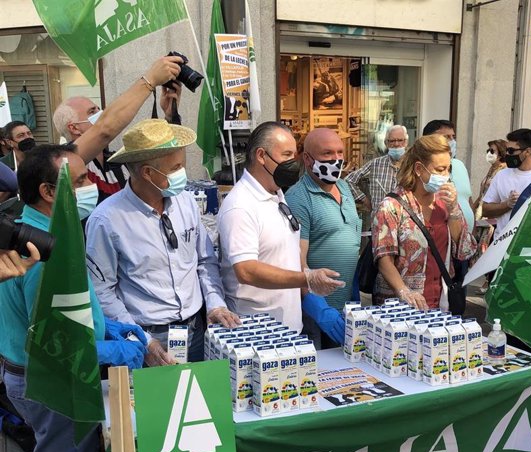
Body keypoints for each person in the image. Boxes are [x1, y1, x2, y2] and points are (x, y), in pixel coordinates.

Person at [0, 144, 146, 452]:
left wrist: (107, 331)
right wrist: (112, 352)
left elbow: (67, 314)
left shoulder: (42, 229)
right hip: (49, 379)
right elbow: (54, 342)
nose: (92, 187)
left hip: (37, 371)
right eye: (81, 181)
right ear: (48, 190)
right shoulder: (40, 251)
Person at [85, 119, 239, 364]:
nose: (183, 173)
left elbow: (204, 260)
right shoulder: (107, 220)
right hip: (148, 335)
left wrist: (215, 304)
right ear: (147, 173)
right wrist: (141, 341)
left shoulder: (185, 201)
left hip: (196, 328)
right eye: (175, 167)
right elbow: (102, 291)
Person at [217, 121, 344, 337]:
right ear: (261, 156)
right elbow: (246, 270)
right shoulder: (241, 205)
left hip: (287, 330)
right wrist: (307, 279)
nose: (292, 163)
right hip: (256, 334)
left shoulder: (276, 194)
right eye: (286, 155)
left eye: (294, 155)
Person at [371, 134, 475, 309]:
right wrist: (404, 291)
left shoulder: (444, 203)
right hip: (403, 306)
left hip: (441, 301)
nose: (446, 175)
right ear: (419, 169)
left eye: (448, 169)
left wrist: (454, 210)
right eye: (440, 169)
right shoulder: (392, 206)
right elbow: (383, 259)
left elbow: (464, 250)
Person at [286, 127, 361, 348]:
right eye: (327, 154)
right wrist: (319, 309)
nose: (336, 159)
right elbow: (297, 264)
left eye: (340, 152)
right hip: (318, 314)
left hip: (347, 305)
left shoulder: (344, 187)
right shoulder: (298, 199)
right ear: (308, 159)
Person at [52, 80, 182, 204]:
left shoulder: (117, 162)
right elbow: (104, 132)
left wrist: (171, 117)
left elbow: (163, 162)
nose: (102, 114)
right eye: (92, 112)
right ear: (74, 127)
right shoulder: (67, 163)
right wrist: (151, 80)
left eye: (99, 109)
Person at [481, 128, 531, 234]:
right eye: (506, 150)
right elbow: (486, 210)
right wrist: (507, 204)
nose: (507, 154)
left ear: (527, 152)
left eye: (511, 151)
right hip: (503, 245)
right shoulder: (501, 175)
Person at [421, 119, 474, 232]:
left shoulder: (459, 165)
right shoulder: (423, 170)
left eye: (453, 137)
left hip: (465, 240)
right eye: (446, 137)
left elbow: (468, 199)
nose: (452, 141)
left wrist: (472, 228)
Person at [345, 124, 409, 213]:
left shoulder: (412, 165)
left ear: (406, 142)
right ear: (386, 143)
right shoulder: (376, 164)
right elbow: (349, 180)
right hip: (379, 222)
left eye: (400, 140)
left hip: (405, 222)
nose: (396, 144)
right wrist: (364, 200)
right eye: (392, 141)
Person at [470, 139, 507, 292]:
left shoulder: (504, 170)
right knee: (481, 249)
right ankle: (488, 280)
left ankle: (491, 281)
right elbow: (483, 193)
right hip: (482, 214)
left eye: (492, 151)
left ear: (501, 154)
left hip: (492, 217)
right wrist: (472, 208)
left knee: (489, 249)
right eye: (488, 151)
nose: (489, 154)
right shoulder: (492, 169)